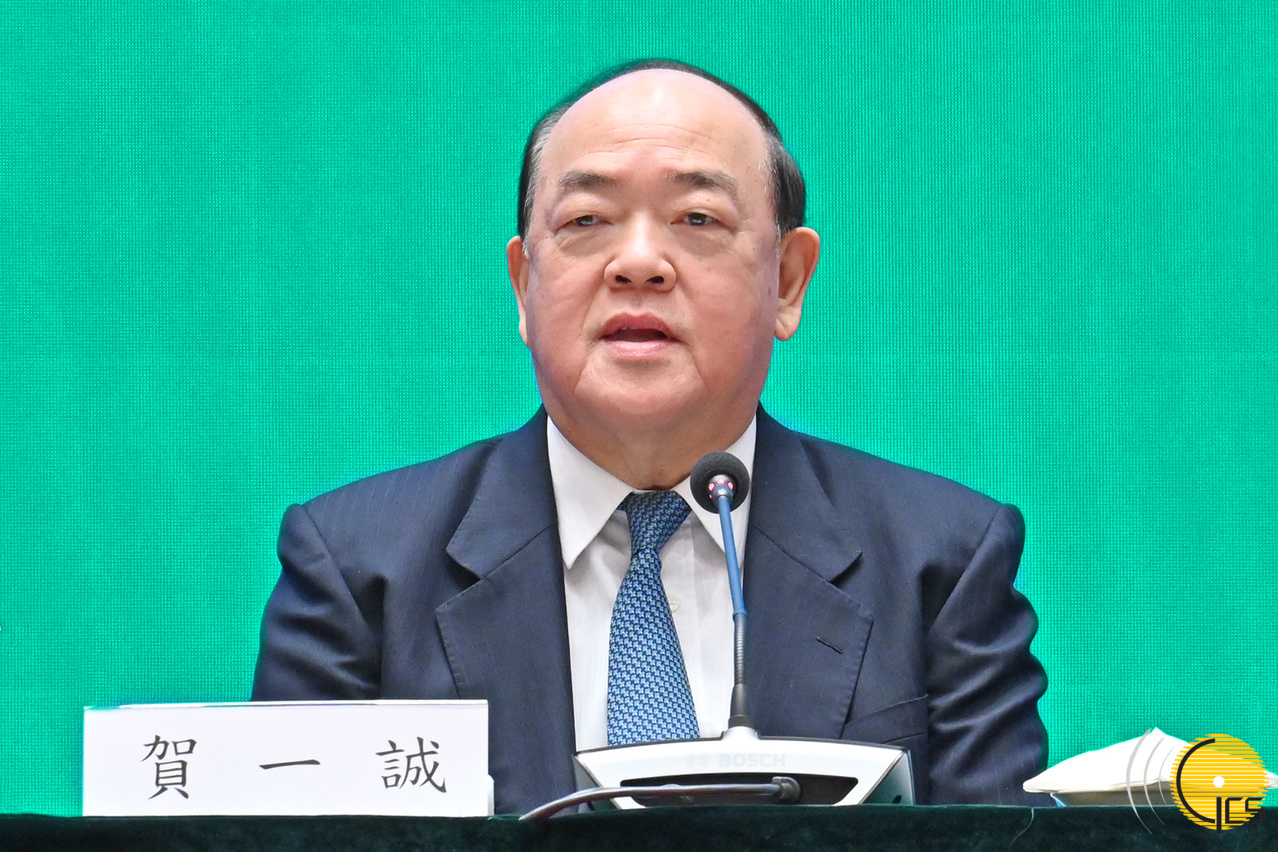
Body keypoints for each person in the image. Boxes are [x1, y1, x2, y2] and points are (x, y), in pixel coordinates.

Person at [252, 59, 1049, 814]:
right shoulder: (360, 570)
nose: (638, 263)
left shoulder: (940, 562)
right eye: (587, 220)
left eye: (697, 218)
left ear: (787, 281)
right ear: (524, 287)